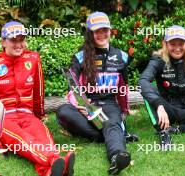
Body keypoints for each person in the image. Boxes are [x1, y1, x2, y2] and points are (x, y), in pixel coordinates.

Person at [0, 21, 75, 176]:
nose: (19, 44)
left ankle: (50, 171)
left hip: (27, 114)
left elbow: (38, 92)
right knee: (24, 139)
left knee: (43, 136)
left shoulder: (33, 59)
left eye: (21, 40)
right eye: (13, 40)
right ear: (3, 42)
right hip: (2, 118)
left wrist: (40, 115)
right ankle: (55, 161)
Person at [56, 12, 132, 175]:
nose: (102, 34)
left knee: (111, 122)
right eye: (97, 31)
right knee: (63, 111)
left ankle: (117, 155)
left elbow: (123, 88)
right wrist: (81, 105)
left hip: (109, 105)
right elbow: (72, 87)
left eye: (105, 30)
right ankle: (114, 133)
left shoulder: (122, 56)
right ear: (90, 33)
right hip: (87, 105)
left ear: (110, 31)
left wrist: (124, 111)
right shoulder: (80, 56)